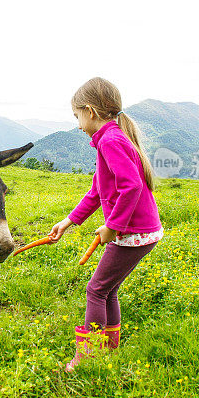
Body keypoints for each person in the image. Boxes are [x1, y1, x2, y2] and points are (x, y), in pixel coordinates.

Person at [48, 77, 163, 371]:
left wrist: (113, 226)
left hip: (134, 232)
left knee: (96, 289)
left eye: (77, 117)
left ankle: (87, 357)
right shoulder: (108, 140)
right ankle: (109, 347)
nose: (77, 125)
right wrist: (69, 221)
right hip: (140, 231)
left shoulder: (110, 141)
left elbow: (132, 186)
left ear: (90, 111)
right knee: (107, 289)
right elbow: (98, 192)